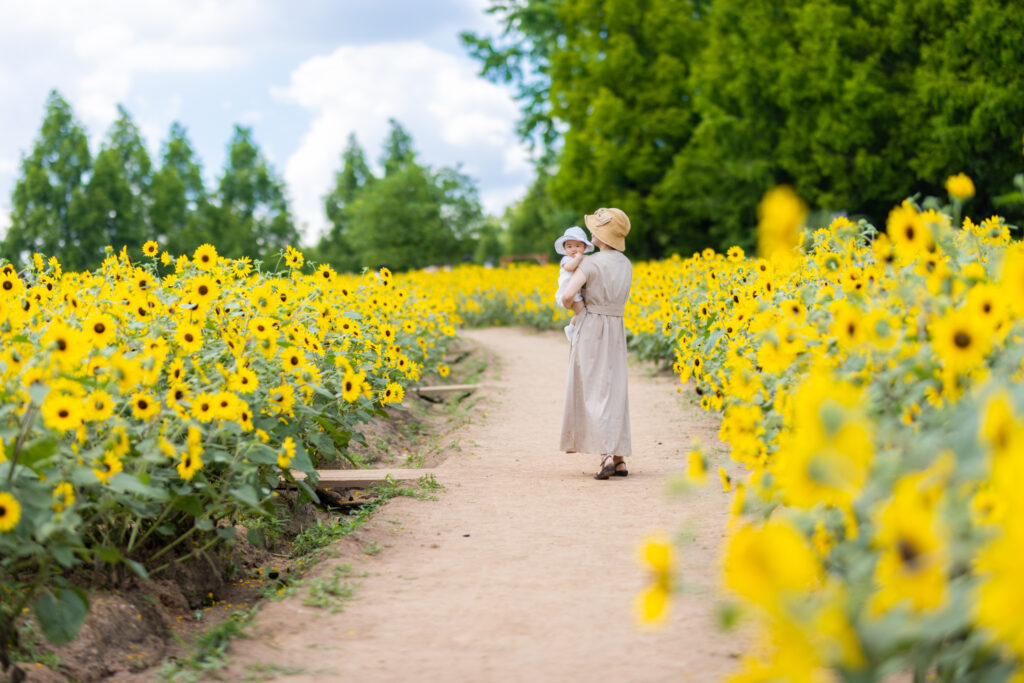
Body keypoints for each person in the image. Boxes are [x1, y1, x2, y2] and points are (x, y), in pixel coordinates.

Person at [558, 207, 633, 480]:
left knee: (594, 389)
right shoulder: (626, 264)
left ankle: (604, 458)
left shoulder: (590, 263)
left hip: (592, 326)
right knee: (615, 388)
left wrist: (580, 310)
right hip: (616, 327)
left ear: (601, 236)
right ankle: (620, 457)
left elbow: (567, 296)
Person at [554, 226, 595, 341]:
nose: (573, 249)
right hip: (568, 292)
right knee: (584, 314)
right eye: (569, 246)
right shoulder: (566, 259)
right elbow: (570, 268)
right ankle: (572, 329)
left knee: (583, 314)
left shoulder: (584, 258)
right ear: (564, 248)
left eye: (578, 246)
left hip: (577, 292)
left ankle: (572, 327)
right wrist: (577, 259)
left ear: (584, 247)